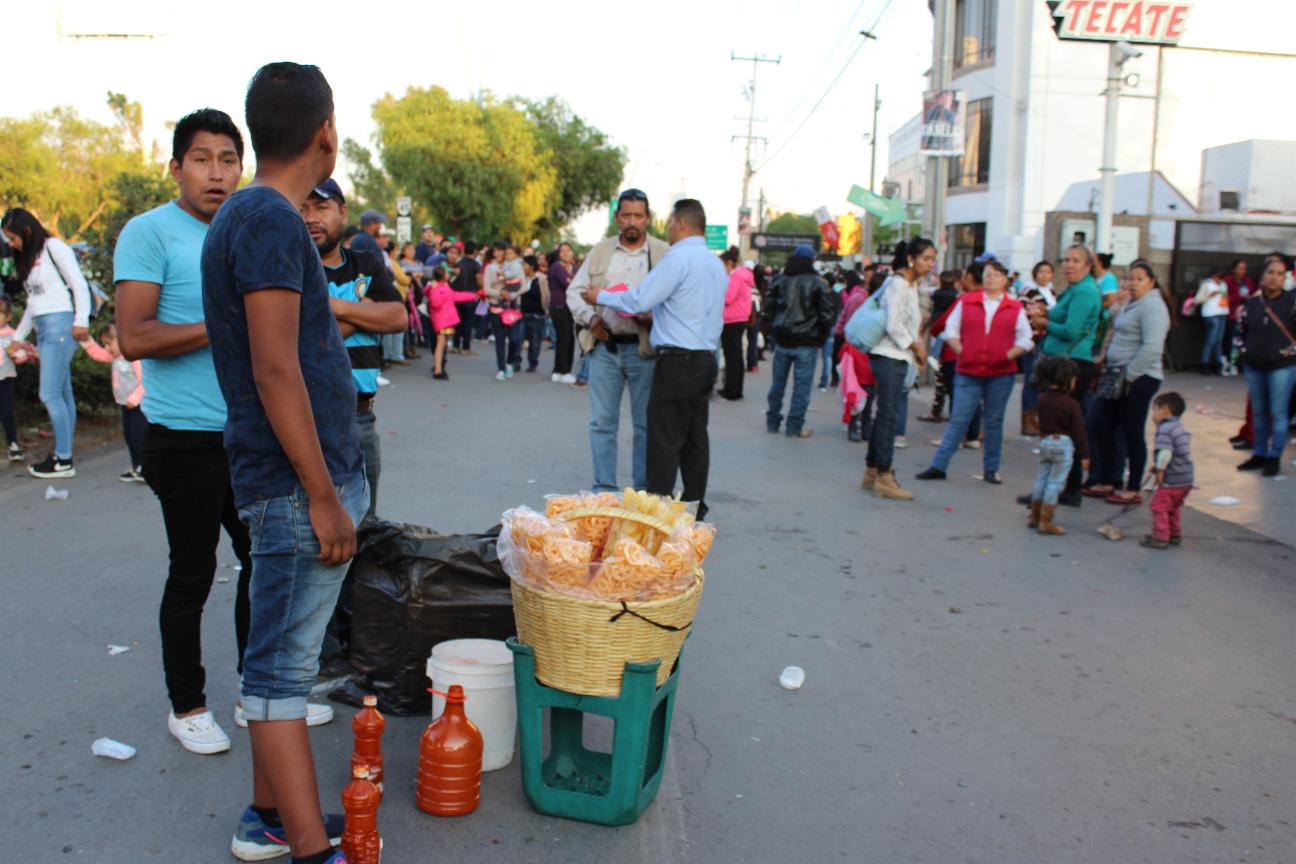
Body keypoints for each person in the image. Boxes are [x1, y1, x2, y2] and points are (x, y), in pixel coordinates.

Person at [200, 62, 362, 864]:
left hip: (291, 483)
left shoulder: (254, 214)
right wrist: (323, 494)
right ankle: (305, 847)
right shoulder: (265, 216)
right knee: (279, 674)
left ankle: (268, 816)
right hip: (294, 487)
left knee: (278, 661)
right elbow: (273, 367)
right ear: (325, 132)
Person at [111, 110, 268, 759]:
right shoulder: (150, 232)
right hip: (183, 438)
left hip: (248, 436)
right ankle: (188, 706)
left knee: (263, 564)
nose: (216, 173)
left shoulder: (247, 232)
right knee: (194, 572)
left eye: (228, 159)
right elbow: (134, 335)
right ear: (176, 168)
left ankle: (255, 693)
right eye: (202, 159)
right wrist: (220, 322)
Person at [582, 198, 726, 519]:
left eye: (671, 223)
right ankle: (694, 508)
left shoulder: (678, 259)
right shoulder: (714, 263)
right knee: (695, 438)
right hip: (705, 358)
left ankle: (656, 513)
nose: (668, 229)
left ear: (681, 224)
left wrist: (598, 296)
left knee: (664, 439)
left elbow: (639, 299)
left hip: (677, 361)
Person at [302, 177, 406, 519]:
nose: (310, 217)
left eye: (321, 207)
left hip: (361, 417)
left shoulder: (365, 263)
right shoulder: (293, 267)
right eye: (302, 208)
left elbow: (397, 316)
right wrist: (364, 312)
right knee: (314, 527)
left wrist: (335, 306)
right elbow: (306, 341)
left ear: (342, 213)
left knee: (365, 526)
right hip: (308, 421)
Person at [568, 188, 670, 492]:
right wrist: (591, 318)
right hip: (605, 348)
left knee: (645, 425)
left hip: (644, 350)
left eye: (638, 215)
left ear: (648, 218)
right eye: (626, 215)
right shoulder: (601, 251)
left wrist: (652, 315)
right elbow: (574, 292)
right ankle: (605, 489)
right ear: (617, 217)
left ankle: (642, 492)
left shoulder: (663, 253)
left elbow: (676, 300)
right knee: (602, 423)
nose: (632, 222)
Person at [916, 260, 1033, 485]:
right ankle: (938, 465)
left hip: (1001, 374)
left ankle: (991, 469)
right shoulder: (967, 301)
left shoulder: (1014, 307)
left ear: (1005, 280)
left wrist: (1007, 355)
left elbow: (1026, 339)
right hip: (968, 370)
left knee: (994, 421)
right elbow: (950, 330)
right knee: (958, 419)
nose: (992, 278)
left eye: (997, 275)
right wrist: (963, 352)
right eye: (988, 274)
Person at [0, 207, 91, 479]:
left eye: (12, 238)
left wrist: (82, 320)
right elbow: (33, 304)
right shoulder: (31, 259)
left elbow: (78, 283)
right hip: (44, 328)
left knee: (49, 394)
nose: (11, 244)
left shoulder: (54, 247)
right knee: (62, 393)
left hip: (60, 326)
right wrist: (18, 338)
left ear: (26, 230)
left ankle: (63, 459)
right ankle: (63, 454)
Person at [1081, 259, 1172, 504]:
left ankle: (1133, 489)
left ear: (1151, 282)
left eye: (1139, 279)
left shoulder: (1153, 307)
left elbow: (1152, 347)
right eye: (1130, 278)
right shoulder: (1132, 303)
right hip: (1117, 374)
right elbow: (1115, 319)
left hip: (1139, 378)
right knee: (1100, 425)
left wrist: (1130, 375)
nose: (1133, 283)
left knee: (1132, 431)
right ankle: (1107, 480)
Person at [1027, 244, 1101, 507]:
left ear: (1088, 266)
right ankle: (1057, 488)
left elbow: (1071, 330)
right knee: (1058, 428)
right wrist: (1045, 314)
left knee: (1063, 429)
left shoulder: (1085, 291)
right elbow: (1062, 317)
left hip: (1071, 364)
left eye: (1076, 260)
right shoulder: (1074, 289)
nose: (1069, 265)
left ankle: (1068, 488)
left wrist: (1044, 323)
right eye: (1066, 260)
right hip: (1060, 361)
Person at [862, 239, 933, 501]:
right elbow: (893, 325)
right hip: (889, 356)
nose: (930, 264)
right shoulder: (899, 284)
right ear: (911, 259)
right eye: (926, 258)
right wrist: (916, 346)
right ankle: (884, 475)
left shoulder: (910, 285)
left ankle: (873, 471)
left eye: (932, 259)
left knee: (885, 414)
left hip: (897, 356)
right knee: (888, 416)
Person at [762, 244, 833, 437]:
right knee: (802, 388)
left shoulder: (779, 280)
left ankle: (772, 422)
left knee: (777, 385)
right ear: (812, 260)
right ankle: (794, 426)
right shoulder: (818, 283)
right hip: (807, 342)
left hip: (782, 340)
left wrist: (772, 333)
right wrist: (820, 338)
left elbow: (768, 310)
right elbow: (826, 315)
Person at [1236, 257, 1296, 477]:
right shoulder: (1251, 304)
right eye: (1271, 272)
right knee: (1259, 412)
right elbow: (1240, 332)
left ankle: (1274, 456)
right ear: (1263, 275)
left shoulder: (1292, 302)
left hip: (1282, 366)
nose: (1274, 277)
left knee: (1278, 413)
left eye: (1280, 274)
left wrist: (1289, 352)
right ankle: (1259, 453)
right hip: (1254, 365)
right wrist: (1245, 352)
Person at [1028, 355, 1088, 536]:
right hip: (1063, 444)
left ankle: (1035, 516)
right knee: (1055, 482)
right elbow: (1078, 431)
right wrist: (1084, 454)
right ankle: (1046, 521)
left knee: (1041, 478)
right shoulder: (1072, 404)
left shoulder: (1042, 398)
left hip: (1046, 441)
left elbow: (1037, 420)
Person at [79, 324, 146, 482]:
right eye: (105, 344)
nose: (107, 348)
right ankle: (136, 466)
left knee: (138, 436)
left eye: (109, 343)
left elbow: (145, 381)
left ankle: (145, 467)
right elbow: (99, 354)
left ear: (122, 338)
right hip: (124, 404)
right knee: (129, 436)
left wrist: (134, 399)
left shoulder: (134, 358)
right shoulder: (116, 357)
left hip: (138, 405)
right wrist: (87, 341)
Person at [1141, 391, 1193, 549]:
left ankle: (1160, 537)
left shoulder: (1165, 429)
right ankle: (1174, 534)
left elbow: (1165, 453)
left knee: (1159, 506)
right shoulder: (1179, 427)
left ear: (1165, 410)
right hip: (1185, 478)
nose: (1153, 415)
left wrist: (1160, 471)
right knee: (1173, 507)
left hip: (1172, 479)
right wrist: (1157, 466)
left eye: (1155, 410)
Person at [918, 268, 964, 423]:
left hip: (946, 344)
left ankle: (939, 411)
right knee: (951, 383)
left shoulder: (938, 295)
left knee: (944, 381)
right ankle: (950, 413)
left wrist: (929, 326)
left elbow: (938, 323)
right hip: (953, 346)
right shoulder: (957, 298)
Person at [1018, 260, 1057, 435]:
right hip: (1033, 341)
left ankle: (1038, 418)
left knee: (1043, 381)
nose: (1044, 275)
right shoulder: (1028, 292)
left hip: (1048, 340)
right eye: (1041, 272)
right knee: (1032, 381)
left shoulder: (1051, 292)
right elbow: (1021, 315)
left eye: (1048, 272)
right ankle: (1028, 421)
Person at [426, 266, 479, 379]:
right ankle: (438, 370)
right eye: (447, 273)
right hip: (442, 319)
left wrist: (472, 296)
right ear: (443, 276)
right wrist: (473, 295)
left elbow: (454, 296)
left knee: (442, 344)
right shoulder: (437, 287)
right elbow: (437, 303)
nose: (449, 274)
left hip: (443, 318)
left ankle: (438, 367)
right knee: (440, 344)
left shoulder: (441, 286)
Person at [483, 242, 524, 380]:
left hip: (513, 307)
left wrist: (513, 294)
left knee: (515, 339)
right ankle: (501, 368)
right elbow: (486, 289)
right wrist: (501, 293)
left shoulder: (515, 266)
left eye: (503, 251)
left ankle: (510, 362)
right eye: (497, 251)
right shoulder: (490, 268)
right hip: (496, 307)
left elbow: (524, 285)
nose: (500, 254)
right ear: (494, 253)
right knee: (500, 339)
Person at [717, 247, 753, 400]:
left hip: (731, 319)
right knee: (736, 357)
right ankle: (736, 389)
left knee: (731, 357)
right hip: (740, 318)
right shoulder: (743, 275)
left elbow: (728, 298)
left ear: (729, 263)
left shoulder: (735, 277)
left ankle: (731, 390)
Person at [0, 296, 30, 461]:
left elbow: (22, 354)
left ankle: (12, 444)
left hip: (6, 379)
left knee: (6, 413)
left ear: (8, 317)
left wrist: (16, 355)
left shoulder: (14, 335)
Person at [548, 242, 577, 383]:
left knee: (569, 338)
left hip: (570, 307)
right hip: (558, 306)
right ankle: (563, 371)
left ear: (572, 252)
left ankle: (559, 370)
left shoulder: (574, 268)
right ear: (558, 254)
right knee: (564, 338)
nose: (565, 253)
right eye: (562, 251)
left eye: (568, 250)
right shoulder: (557, 267)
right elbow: (569, 285)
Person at [1222, 258, 1254, 377]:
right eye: (1240, 268)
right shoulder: (1227, 280)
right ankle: (1229, 363)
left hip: (1246, 315)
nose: (1242, 271)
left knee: (1244, 341)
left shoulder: (1248, 281)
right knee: (1231, 340)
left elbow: (1252, 295)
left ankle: (1237, 363)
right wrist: (1240, 297)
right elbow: (1225, 297)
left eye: (1244, 268)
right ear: (1233, 269)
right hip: (1231, 315)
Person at [519, 254, 550, 373]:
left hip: (537, 315)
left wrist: (547, 311)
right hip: (521, 315)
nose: (522, 267)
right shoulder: (520, 279)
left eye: (524, 264)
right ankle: (515, 362)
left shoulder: (541, 279)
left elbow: (547, 296)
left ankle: (533, 363)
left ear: (531, 266)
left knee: (535, 342)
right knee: (517, 340)